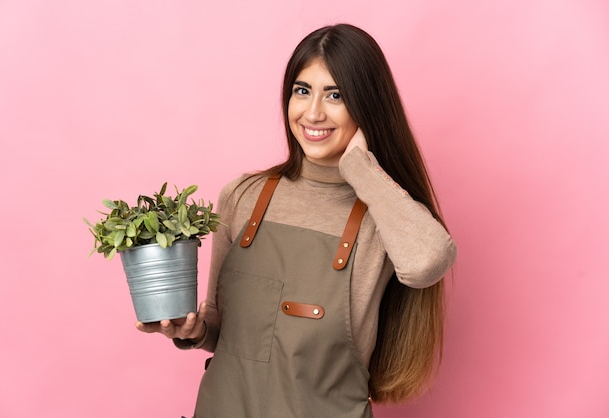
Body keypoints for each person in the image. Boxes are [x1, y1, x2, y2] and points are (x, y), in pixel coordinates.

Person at [137, 23, 457, 417]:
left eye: (335, 95)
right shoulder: (243, 196)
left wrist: (361, 170)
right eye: (302, 91)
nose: (313, 112)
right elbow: (224, 328)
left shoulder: (383, 215)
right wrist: (193, 331)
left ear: (367, 104)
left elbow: (430, 261)